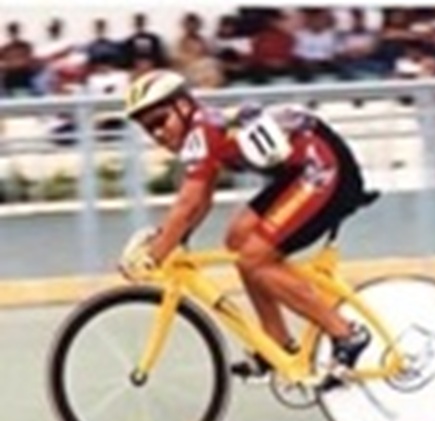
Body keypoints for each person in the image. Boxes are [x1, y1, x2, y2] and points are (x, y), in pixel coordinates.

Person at [119, 70, 372, 388]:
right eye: (148, 128)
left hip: (323, 170)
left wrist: (154, 256)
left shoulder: (202, 131)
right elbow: (201, 200)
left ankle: (346, 334)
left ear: (182, 106)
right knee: (238, 238)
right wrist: (173, 239)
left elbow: (188, 203)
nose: (157, 133)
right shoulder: (201, 129)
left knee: (254, 258)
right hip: (303, 170)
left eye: (160, 120)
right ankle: (276, 341)